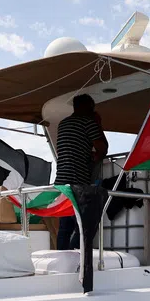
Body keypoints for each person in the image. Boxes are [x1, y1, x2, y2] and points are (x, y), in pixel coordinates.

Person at [53, 93, 108, 250]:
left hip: (61, 181)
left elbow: (72, 147)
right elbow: (103, 148)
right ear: (88, 107)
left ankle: (63, 258)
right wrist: (98, 123)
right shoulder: (88, 122)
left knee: (64, 227)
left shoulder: (63, 124)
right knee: (81, 226)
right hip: (78, 182)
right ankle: (76, 258)